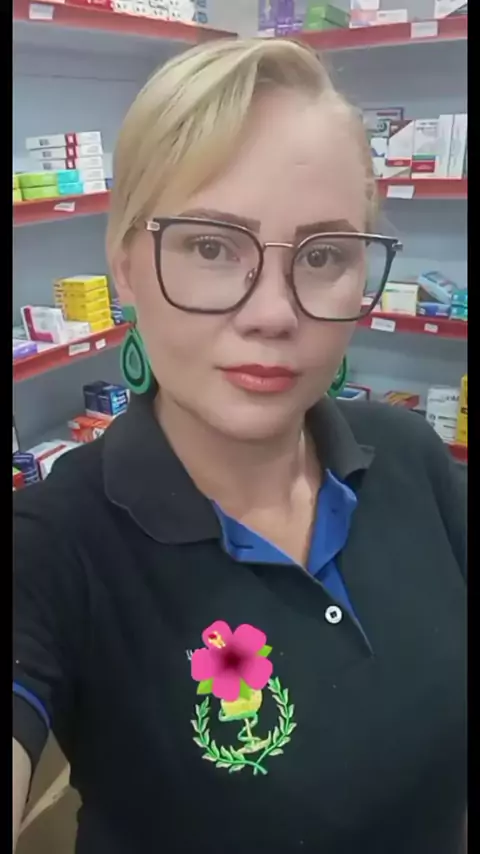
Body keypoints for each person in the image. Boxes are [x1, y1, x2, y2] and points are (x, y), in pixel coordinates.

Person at [13, 37, 466, 854]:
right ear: (125, 265)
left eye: (323, 255)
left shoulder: (411, 456)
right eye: (213, 246)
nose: (273, 314)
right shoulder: (52, 546)